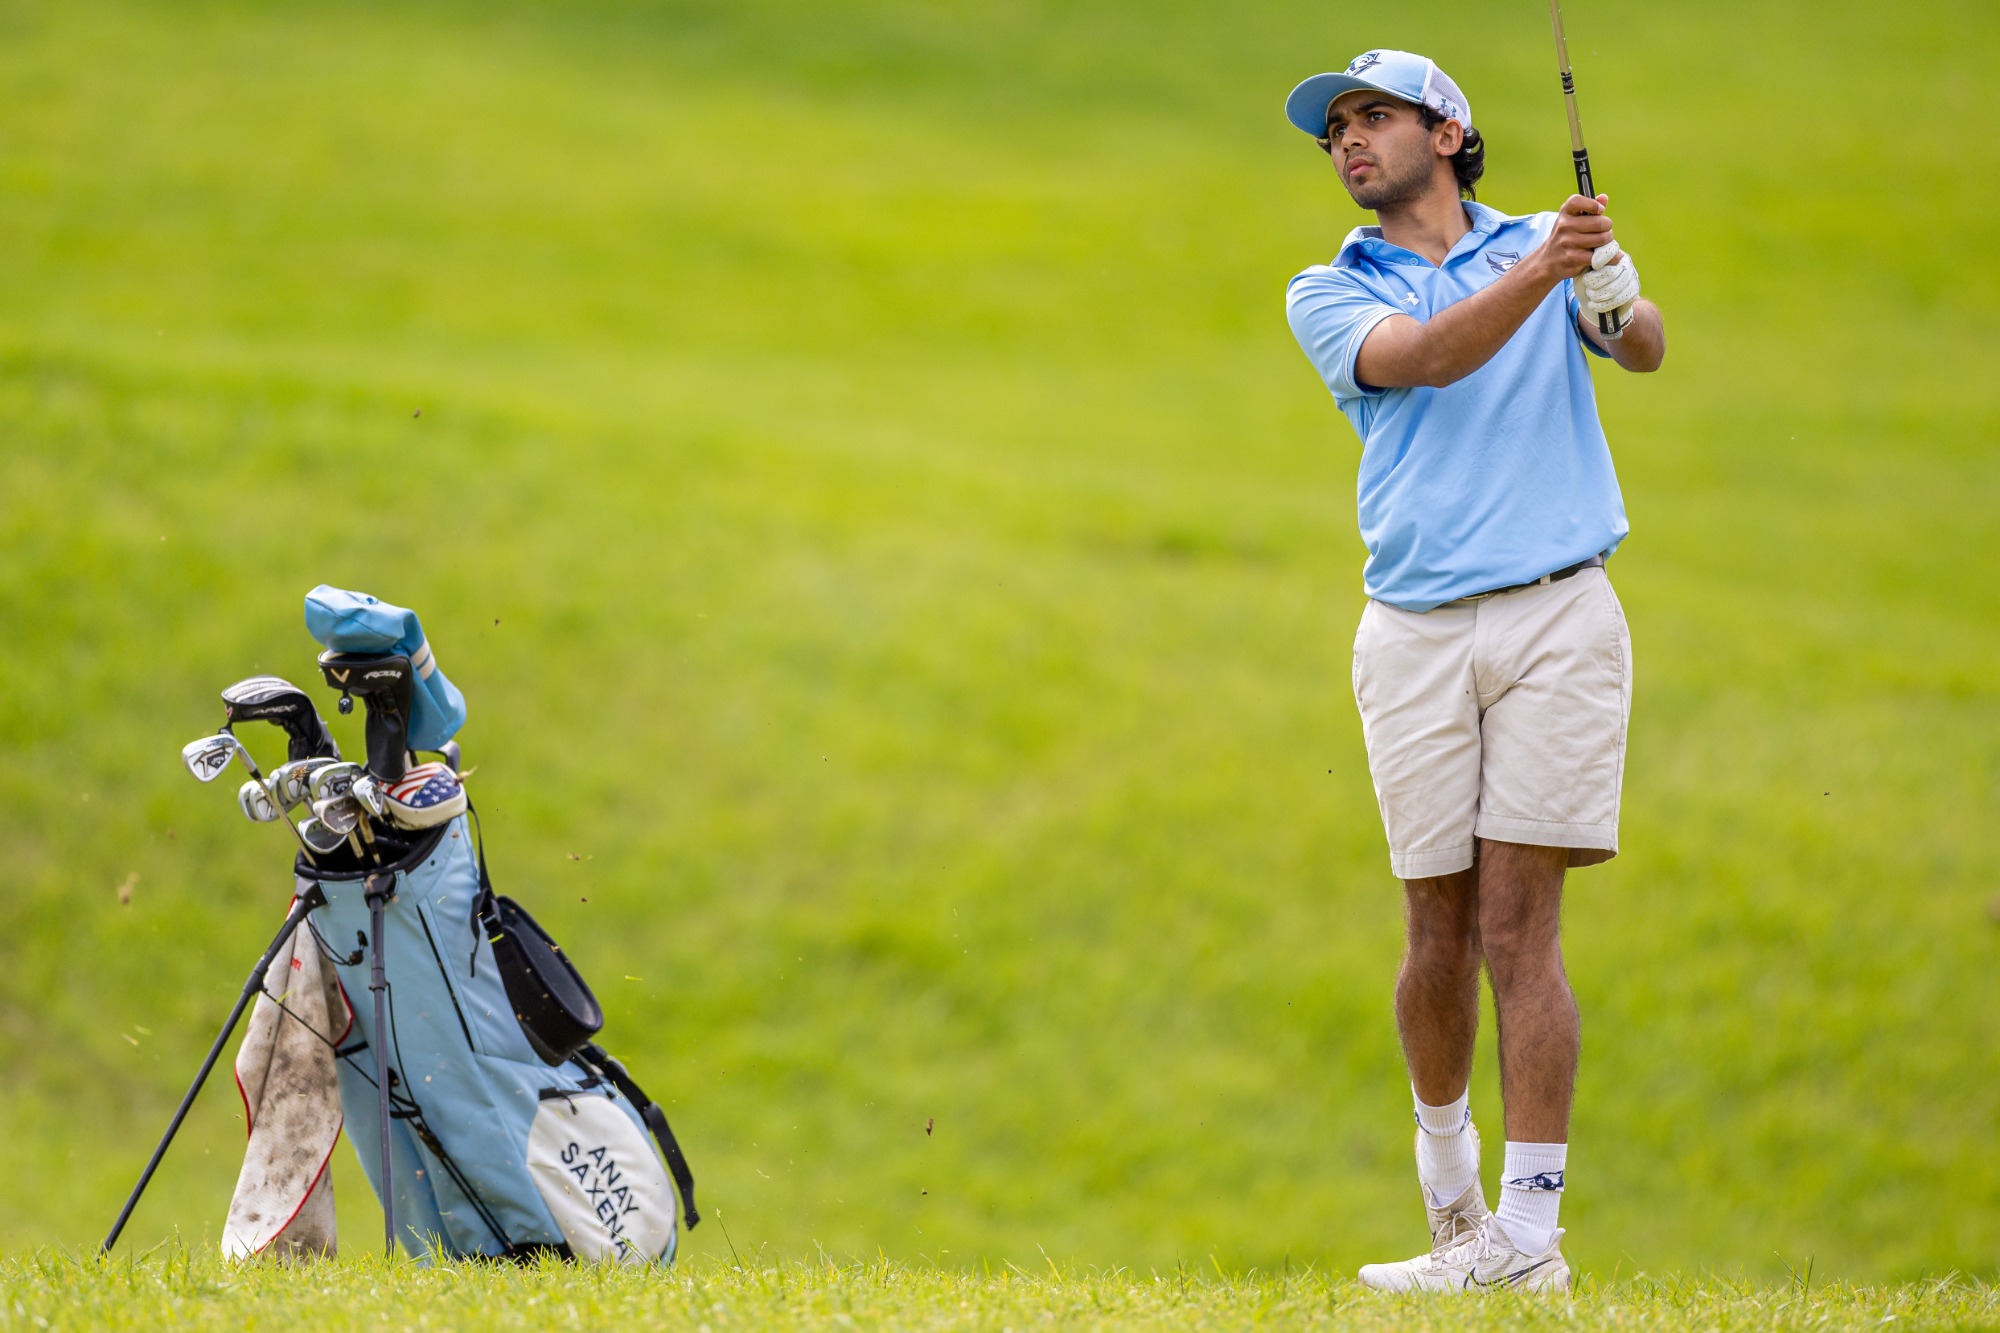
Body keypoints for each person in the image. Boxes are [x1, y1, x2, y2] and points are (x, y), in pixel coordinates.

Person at [1281, 49, 1665, 1292]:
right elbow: (1430, 358)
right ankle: (1449, 1197)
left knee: (1518, 923)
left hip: (1558, 612)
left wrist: (1601, 283)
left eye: (1371, 117)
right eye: (1334, 128)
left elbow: (1641, 349)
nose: (1346, 140)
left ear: (1445, 131)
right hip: (1412, 631)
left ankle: (1530, 1238)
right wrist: (1546, 270)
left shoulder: (1543, 243)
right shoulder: (1326, 288)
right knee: (1433, 926)